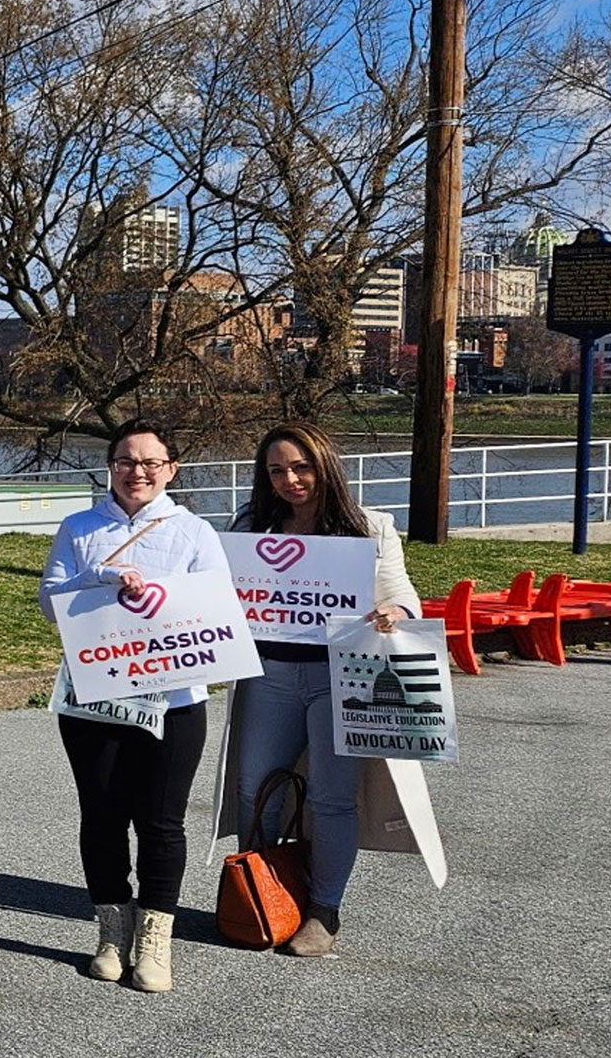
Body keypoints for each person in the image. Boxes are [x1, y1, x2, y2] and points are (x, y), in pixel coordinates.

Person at [34, 421, 229, 992]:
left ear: (170, 469)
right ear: (111, 467)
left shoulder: (194, 531)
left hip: (172, 700)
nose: (136, 471)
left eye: (150, 462)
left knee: (161, 821)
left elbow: (216, 609)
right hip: (92, 697)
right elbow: (50, 604)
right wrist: (98, 579)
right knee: (100, 815)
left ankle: (155, 941)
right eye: (125, 460)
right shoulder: (80, 527)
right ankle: (110, 929)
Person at [224, 420, 422, 958]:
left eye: (300, 466)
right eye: (277, 470)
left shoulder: (370, 527)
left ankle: (323, 911)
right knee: (254, 788)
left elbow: (406, 595)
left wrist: (395, 612)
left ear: (324, 465)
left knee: (334, 798)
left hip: (344, 678)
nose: (290, 479)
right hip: (271, 674)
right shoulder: (250, 526)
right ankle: (260, 896)